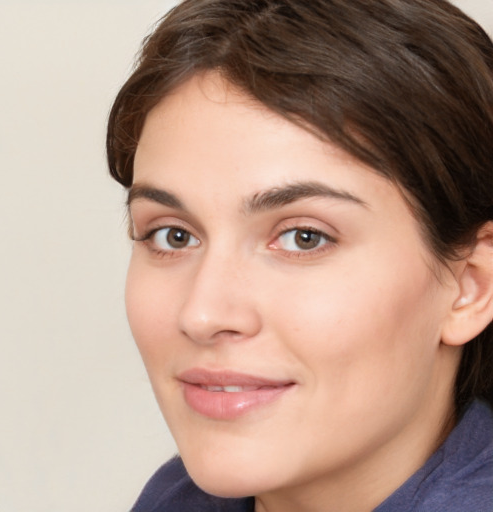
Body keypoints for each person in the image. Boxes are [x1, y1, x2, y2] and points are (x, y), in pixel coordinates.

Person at [106, 0, 493, 510]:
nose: (202, 314)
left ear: (470, 286)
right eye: (173, 236)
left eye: (303, 237)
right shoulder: (176, 498)